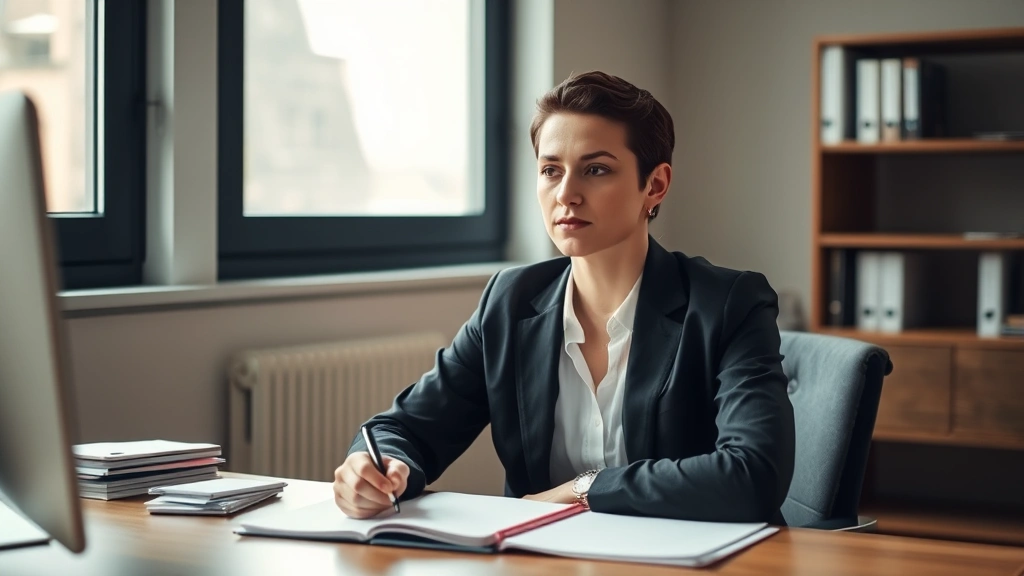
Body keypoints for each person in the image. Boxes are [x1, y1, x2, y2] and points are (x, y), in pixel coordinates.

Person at [333, 71, 795, 524]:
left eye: (596, 170)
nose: (567, 194)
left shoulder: (729, 303)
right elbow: (403, 429)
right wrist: (377, 470)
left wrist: (586, 489)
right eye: (551, 170)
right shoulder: (510, 302)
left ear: (654, 186)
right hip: (541, 559)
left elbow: (753, 475)